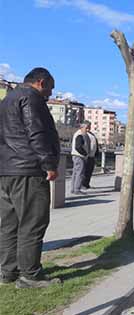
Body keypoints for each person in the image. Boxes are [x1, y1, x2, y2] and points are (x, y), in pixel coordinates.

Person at [0, 67, 61, 288]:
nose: (50, 95)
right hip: (28, 170)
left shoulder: (7, 100)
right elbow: (36, 132)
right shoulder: (31, 98)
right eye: (50, 89)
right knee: (33, 222)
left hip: (6, 171)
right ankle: (30, 275)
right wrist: (48, 164)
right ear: (41, 82)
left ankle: (8, 272)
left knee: (9, 225)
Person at [70, 122, 90, 195]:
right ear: (82, 128)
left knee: (75, 173)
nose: (88, 130)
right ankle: (77, 189)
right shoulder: (80, 135)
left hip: (76, 155)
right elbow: (78, 147)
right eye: (86, 128)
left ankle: (73, 189)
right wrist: (85, 154)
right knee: (79, 173)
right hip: (79, 156)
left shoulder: (78, 134)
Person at [82, 122, 99, 189]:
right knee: (84, 171)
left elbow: (95, 144)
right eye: (88, 126)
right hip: (86, 155)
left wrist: (96, 153)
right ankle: (82, 185)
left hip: (92, 155)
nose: (89, 127)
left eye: (89, 126)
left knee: (89, 171)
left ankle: (86, 184)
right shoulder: (83, 134)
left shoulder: (92, 134)